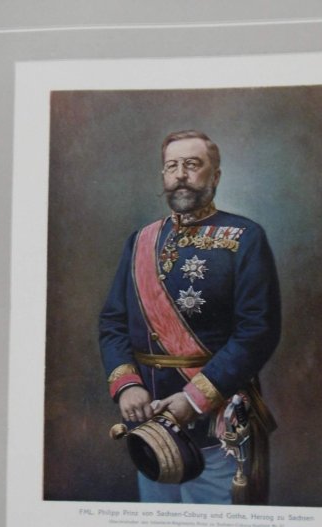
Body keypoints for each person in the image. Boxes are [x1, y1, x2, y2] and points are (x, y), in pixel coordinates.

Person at [99, 130, 280, 504]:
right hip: (149, 424)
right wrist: (127, 385)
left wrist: (195, 399)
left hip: (216, 426)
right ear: (163, 175)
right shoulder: (140, 240)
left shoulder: (245, 237)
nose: (180, 174)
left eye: (192, 164)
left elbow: (257, 332)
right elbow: (113, 322)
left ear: (215, 175)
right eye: (172, 166)